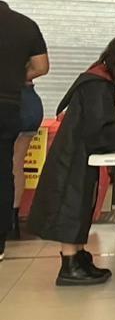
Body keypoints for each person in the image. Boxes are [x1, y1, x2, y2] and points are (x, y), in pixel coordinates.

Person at [27, 36, 115, 285]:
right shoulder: (99, 84)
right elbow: (98, 129)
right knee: (73, 204)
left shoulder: (102, 79)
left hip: (79, 151)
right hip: (74, 154)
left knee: (83, 202)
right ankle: (70, 264)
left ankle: (78, 256)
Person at [0, 0, 49, 259]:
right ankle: (8, 227)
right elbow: (42, 67)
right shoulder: (25, 25)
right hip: (18, 103)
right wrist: (18, 77)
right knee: (11, 166)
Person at [12, 82, 46, 240]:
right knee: (16, 164)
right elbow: (41, 67)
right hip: (29, 100)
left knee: (9, 164)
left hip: (10, 99)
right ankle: (12, 222)